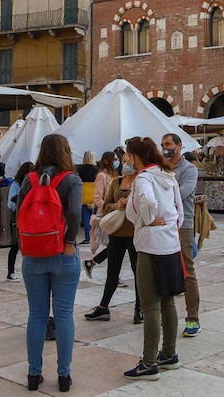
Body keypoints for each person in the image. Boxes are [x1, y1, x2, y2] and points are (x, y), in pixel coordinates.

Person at [16, 134, 83, 393]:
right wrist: (69, 242)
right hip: (63, 254)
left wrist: (24, 245)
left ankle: (34, 375)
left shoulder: (29, 179)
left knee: (37, 315)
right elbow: (76, 213)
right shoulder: (71, 180)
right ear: (66, 151)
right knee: (64, 315)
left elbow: (19, 212)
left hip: (33, 255)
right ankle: (64, 376)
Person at [123, 136, 184, 381]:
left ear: (135, 156)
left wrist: (147, 219)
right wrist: (168, 224)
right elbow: (179, 211)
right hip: (170, 244)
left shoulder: (145, 177)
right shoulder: (167, 175)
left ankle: (149, 362)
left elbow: (147, 201)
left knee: (150, 306)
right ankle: (169, 353)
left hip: (150, 246)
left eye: (128, 155)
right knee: (168, 302)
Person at [83, 152, 142, 324]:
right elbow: (106, 204)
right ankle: (103, 307)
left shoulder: (141, 182)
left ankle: (139, 308)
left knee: (137, 272)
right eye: (122, 161)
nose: (124, 164)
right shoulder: (116, 182)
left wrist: (130, 204)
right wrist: (116, 205)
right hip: (116, 232)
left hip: (134, 234)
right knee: (112, 273)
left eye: (127, 161)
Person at [161, 133, 201, 337]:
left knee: (187, 270)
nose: (165, 148)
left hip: (182, 225)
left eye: (168, 144)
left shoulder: (189, 169)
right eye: (162, 145)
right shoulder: (160, 166)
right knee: (164, 270)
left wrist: (159, 191)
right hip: (161, 225)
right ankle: (166, 316)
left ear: (179, 146)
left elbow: (182, 193)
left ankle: (193, 318)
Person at [83, 151, 118, 278]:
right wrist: (108, 207)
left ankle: (92, 263)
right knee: (114, 246)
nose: (117, 162)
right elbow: (97, 197)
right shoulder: (102, 176)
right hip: (108, 214)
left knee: (115, 246)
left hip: (116, 213)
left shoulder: (114, 175)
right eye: (114, 159)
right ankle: (113, 275)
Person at [7, 161, 35, 282]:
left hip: (27, 217)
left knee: (24, 245)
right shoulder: (16, 184)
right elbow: (10, 204)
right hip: (17, 218)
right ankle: (11, 272)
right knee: (16, 245)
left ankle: (26, 271)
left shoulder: (31, 184)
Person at [77, 151, 99, 245]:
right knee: (95, 218)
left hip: (84, 195)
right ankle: (96, 238)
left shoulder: (80, 170)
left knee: (86, 218)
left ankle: (87, 238)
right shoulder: (97, 170)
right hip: (95, 195)